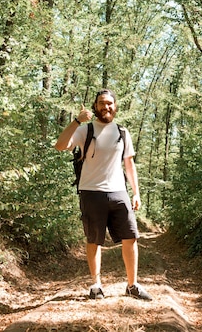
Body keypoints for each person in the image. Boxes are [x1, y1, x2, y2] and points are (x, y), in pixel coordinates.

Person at [54, 88, 152, 301]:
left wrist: (136, 193)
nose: (105, 107)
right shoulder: (85, 130)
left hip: (119, 192)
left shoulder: (123, 132)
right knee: (94, 240)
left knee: (130, 237)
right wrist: (76, 121)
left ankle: (132, 285)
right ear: (95, 107)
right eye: (101, 103)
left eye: (109, 103)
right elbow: (60, 146)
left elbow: (129, 164)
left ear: (115, 106)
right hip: (91, 191)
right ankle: (96, 285)